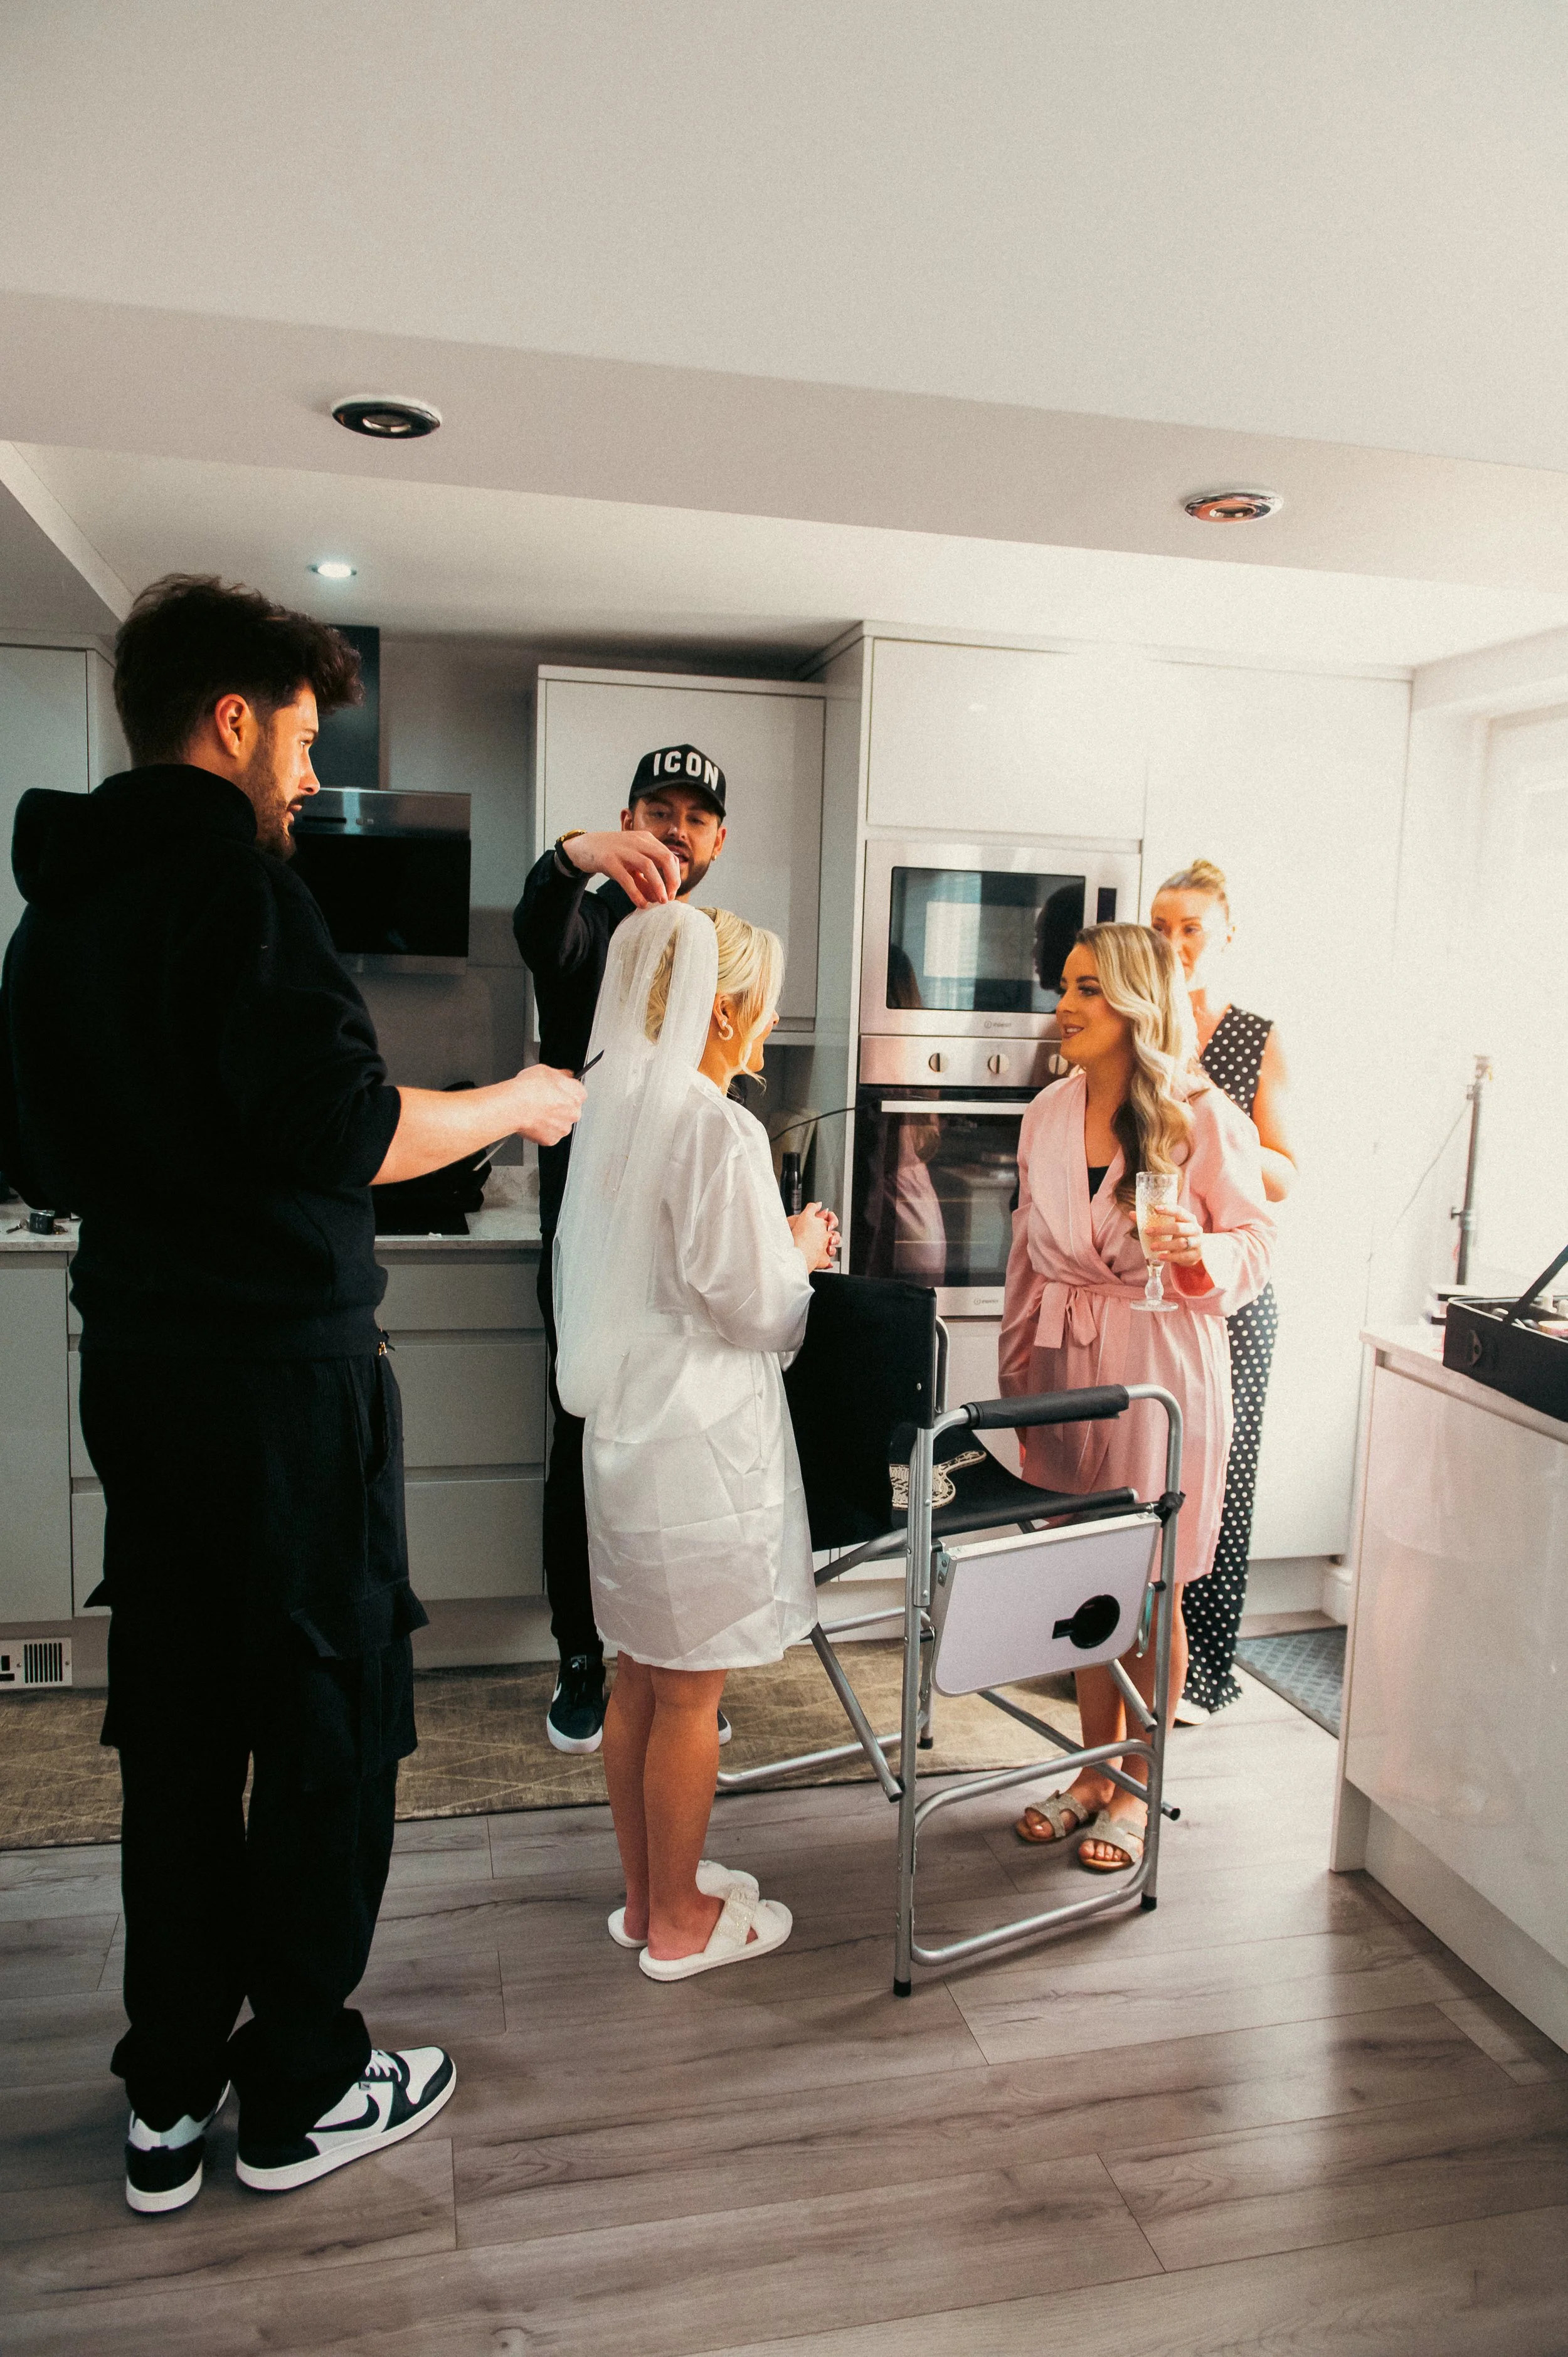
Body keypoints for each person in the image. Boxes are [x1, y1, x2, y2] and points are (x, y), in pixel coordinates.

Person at [0, 576, 583, 2213]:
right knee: (326, 1729)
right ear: (237, 719)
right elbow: (351, 1130)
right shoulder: (240, 896)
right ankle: (302, 2089)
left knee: (181, 1731)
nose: (312, 779)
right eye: (306, 739)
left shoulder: (61, 911)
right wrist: (521, 1097)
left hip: (144, 1375)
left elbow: (34, 1147)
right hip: (284, 1389)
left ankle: (172, 2091)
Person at [554, 902, 837, 1976]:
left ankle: (647, 1891)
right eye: (758, 1010)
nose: (763, 1032)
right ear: (723, 1010)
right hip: (700, 1435)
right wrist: (799, 1246)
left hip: (627, 1426)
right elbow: (755, 1306)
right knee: (690, 1691)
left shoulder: (616, 1099)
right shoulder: (719, 1125)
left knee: (638, 1672)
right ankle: (678, 1923)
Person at [999, 923, 1274, 1870]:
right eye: (1066, 986)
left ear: (1138, 1005)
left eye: (1090, 990)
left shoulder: (1201, 1116)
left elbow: (1258, 1241)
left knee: (1151, 1587)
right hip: (1066, 1370)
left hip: (1161, 1364)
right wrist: (1016, 1380)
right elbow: (1027, 1258)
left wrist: (1202, 1254)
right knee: (1085, 1580)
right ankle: (1091, 1771)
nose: (1065, 1006)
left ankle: (1139, 1780)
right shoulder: (1046, 1112)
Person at [512, 748, 734, 1756]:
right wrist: (572, 858)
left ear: (720, 839)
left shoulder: (717, 941)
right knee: (586, 1429)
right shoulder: (592, 919)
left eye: (696, 816)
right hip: (587, 1229)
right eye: (658, 809)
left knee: (675, 1445)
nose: (677, 828)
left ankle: (671, 1662)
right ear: (625, 820)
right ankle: (579, 1654)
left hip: (681, 1235)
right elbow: (537, 927)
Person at [1150, 859, 1297, 1722]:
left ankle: (1200, 1667)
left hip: (1231, 1290)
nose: (1173, 944)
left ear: (1225, 934)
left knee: (1219, 1477)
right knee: (1139, 1469)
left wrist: (1219, 1132)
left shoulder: (1254, 1039)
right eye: (1161, 926)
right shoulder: (1137, 1026)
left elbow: (1284, 1172)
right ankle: (1113, 1648)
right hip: (1145, 1293)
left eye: (1191, 927)